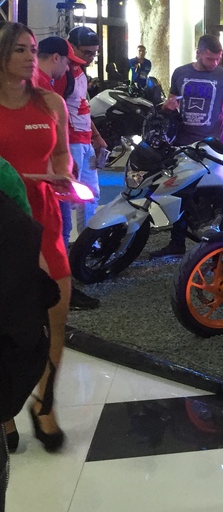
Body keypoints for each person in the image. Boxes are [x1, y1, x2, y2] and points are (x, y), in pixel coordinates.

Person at [0, 22, 75, 453]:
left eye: (32, 49)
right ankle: (4, 410)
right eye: (20, 50)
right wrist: (20, 178)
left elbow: (62, 153)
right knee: (5, 323)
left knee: (56, 315)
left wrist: (64, 175)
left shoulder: (51, 102)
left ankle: (44, 403)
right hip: (4, 225)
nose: (31, 57)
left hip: (45, 219)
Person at [154, 34, 223, 258]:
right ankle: (177, 242)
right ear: (198, 53)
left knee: (214, 194)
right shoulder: (181, 73)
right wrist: (167, 107)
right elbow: (171, 103)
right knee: (180, 194)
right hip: (183, 144)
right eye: (210, 58)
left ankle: (216, 243)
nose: (214, 63)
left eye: (218, 59)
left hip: (211, 146)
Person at [55, 27, 107, 311]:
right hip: (72, 144)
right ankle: (65, 268)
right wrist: (64, 152)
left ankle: (86, 249)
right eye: (86, 52)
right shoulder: (63, 73)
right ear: (70, 47)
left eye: (94, 53)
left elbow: (81, 106)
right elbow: (56, 112)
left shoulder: (78, 72)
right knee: (67, 207)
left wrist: (96, 136)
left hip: (83, 142)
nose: (90, 58)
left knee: (90, 196)